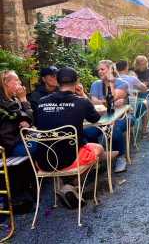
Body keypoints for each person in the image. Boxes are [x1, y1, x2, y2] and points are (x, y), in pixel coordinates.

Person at [35, 67, 104, 209]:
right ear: (77, 81)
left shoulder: (41, 102)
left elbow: (37, 123)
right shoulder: (81, 102)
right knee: (99, 148)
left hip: (43, 161)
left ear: (57, 82)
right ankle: (72, 184)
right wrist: (83, 96)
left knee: (69, 147)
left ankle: (67, 185)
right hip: (68, 161)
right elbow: (95, 118)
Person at [85, 60, 129, 173]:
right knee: (88, 132)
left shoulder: (122, 83)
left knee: (114, 130)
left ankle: (120, 157)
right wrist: (108, 101)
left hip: (121, 116)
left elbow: (113, 97)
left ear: (111, 70)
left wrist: (110, 83)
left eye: (102, 69)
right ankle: (98, 157)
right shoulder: (96, 84)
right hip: (101, 118)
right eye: (98, 69)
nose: (99, 71)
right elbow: (94, 102)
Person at [0, 70, 34, 156]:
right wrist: (23, 99)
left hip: (18, 142)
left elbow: (29, 121)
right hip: (9, 148)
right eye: (16, 80)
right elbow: (30, 119)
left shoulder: (13, 99)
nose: (20, 82)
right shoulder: (4, 103)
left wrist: (26, 122)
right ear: (6, 83)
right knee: (44, 145)